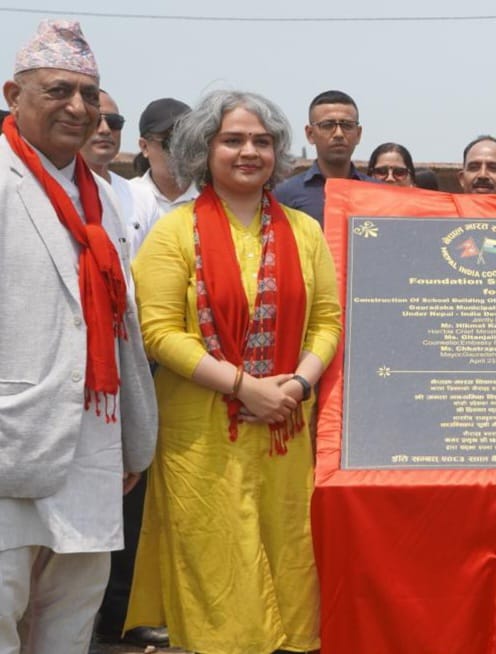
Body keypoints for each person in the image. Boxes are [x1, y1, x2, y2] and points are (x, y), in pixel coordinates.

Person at [125, 90, 342, 654]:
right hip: (201, 436)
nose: (250, 152)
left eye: (262, 141)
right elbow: (158, 331)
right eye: (233, 140)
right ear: (204, 149)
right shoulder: (174, 232)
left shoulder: (305, 231)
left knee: (288, 553)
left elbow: (328, 321)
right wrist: (246, 387)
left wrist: (296, 384)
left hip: (285, 428)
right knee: (216, 563)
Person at [0, 20, 157, 654]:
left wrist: (135, 436)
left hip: (93, 442)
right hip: (14, 435)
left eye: (89, 95)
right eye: (58, 90)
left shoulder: (102, 198)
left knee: (70, 619)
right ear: (14, 95)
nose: (78, 107)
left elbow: (123, 326)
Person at [79, 89, 168, 651]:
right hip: (48, 388)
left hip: (119, 374)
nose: (102, 128)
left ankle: (117, 614)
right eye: (97, 118)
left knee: (124, 504)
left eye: (113, 120)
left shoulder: (118, 197)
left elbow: (133, 304)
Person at [80, 89, 160, 257]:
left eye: (114, 122)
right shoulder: (53, 192)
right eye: (94, 120)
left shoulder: (142, 198)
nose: (105, 129)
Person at [275, 89, 373, 223]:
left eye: (347, 125)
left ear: (358, 134)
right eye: (327, 125)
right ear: (310, 134)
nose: (338, 134)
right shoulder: (285, 194)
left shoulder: (378, 192)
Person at [129, 98, 198, 217]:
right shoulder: (127, 197)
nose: (180, 150)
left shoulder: (215, 198)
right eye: (170, 141)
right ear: (145, 147)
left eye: (187, 140)